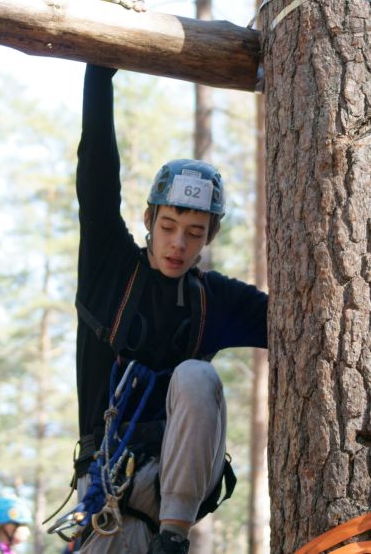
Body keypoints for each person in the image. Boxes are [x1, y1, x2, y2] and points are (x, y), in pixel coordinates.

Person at [69, 47, 268, 552]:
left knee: (197, 375)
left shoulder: (215, 301)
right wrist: (99, 71)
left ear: (209, 237)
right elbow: (96, 173)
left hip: (174, 502)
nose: (179, 243)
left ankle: (175, 540)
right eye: (169, 226)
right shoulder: (108, 270)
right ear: (149, 220)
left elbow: (310, 320)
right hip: (108, 494)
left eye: (195, 233)